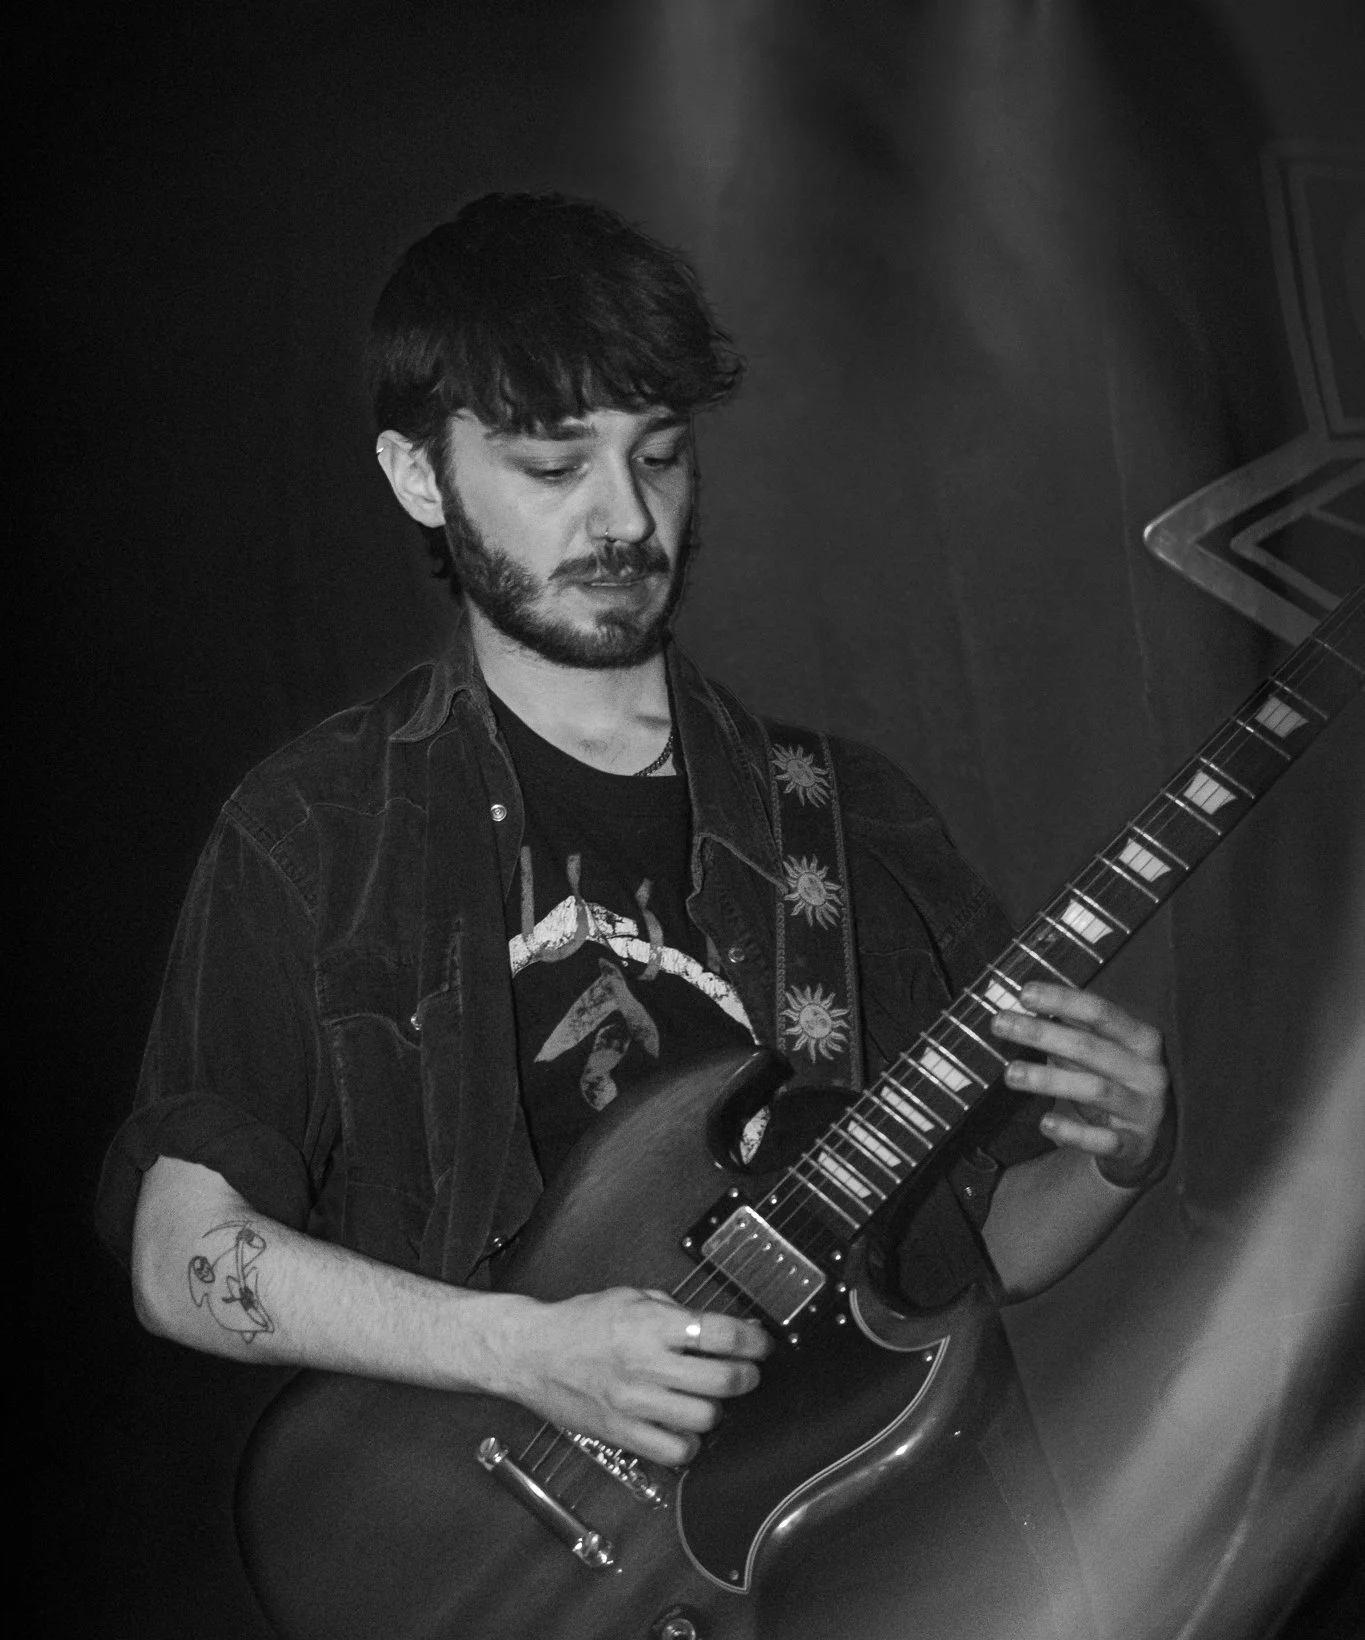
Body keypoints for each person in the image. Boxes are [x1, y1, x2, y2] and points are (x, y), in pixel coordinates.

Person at [98, 191, 1172, 1492]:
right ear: (418, 476)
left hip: (870, 1568)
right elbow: (182, 1255)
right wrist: (519, 1348)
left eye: (656, 456)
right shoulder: (319, 827)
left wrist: (1119, 1157)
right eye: (554, 468)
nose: (624, 520)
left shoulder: (847, 817)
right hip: (517, 1601)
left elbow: (968, 1251)